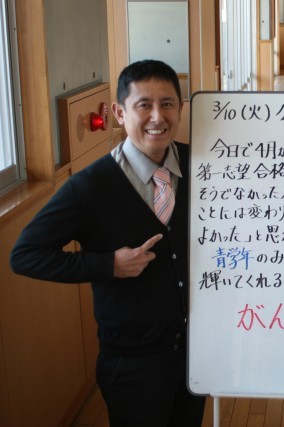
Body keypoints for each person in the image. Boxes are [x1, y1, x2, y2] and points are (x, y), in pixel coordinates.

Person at [10, 60, 205, 427]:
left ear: (180, 109)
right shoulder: (89, 186)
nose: (157, 116)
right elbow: (25, 255)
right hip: (132, 363)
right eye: (143, 105)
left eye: (167, 103)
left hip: (195, 351)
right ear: (119, 112)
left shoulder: (201, 165)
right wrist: (108, 265)